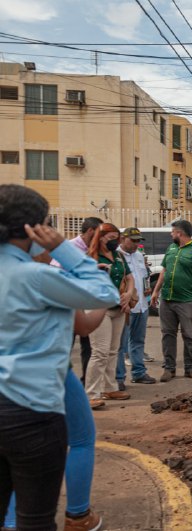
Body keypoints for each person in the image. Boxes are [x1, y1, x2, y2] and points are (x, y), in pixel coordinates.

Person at [0, 184, 118, 530]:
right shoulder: (38, 276)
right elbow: (104, 294)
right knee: (36, 516)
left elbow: (80, 323)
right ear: (32, 230)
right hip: (31, 403)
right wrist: (64, 251)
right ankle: (78, 515)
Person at [4, 308, 107, 531]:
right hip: (47, 366)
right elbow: (83, 325)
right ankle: (78, 517)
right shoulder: (48, 276)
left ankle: (10, 521)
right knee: (82, 439)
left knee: (10, 448)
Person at [150, 220, 192, 382]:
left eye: (172, 231)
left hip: (188, 300)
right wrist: (156, 291)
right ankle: (169, 368)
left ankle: (190, 368)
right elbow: (164, 270)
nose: (171, 234)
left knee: (189, 335)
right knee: (167, 334)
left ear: (180, 233)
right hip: (167, 300)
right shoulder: (171, 248)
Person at [86, 223, 135, 406]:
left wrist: (129, 293)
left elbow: (129, 278)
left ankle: (109, 388)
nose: (116, 241)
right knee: (100, 352)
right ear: (100, 237)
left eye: (117, 237)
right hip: (99, 308)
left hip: (118, 308)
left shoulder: (118, 256)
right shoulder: (90, 258)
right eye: (111, 237)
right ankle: (91, 393)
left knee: (114, 351)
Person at [59, 216, 103, 385]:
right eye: (99, 233)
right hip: (70, 305)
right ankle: (63, 384)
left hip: (88, 304)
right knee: (66, 346)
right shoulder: (68, 248)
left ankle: (86, 381)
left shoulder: (95, 250)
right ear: (91, 231)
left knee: (89, 347)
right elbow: (58, 275)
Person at [116, 227, 157, 387]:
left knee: (138, 341)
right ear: (122, 239)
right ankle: (119, 378)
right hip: (124, 308)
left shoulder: (139, 256)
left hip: (141, 306)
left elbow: (143, 278)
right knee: (120, 345)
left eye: (138, 241)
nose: (136, 244)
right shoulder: (117, 256)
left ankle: (138, 372)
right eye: (132, 240)